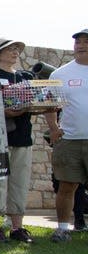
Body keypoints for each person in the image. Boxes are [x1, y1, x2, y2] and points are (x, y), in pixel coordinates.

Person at [0, 39, 36, 243]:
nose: (14, 52)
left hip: (22, 136)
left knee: (19, 183)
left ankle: (17, 228)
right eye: (9, 49)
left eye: (16, 49)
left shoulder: (26, 77)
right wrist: (4, 111)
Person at [45, 29, 88, 242]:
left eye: (85, 41)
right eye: (78, 42)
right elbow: (50, 104)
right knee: (67, 186)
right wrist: (53, 128)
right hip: (69, 140)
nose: (80, 45)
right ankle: (62, 229)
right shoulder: (60, 74)